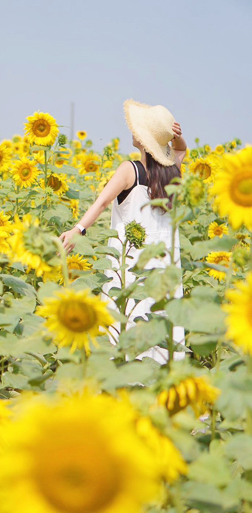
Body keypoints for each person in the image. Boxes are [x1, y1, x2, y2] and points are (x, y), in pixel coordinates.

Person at [59, 99, 187, 364]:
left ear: (144, 140)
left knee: (129, 316)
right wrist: (177, 139)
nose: (133, 131)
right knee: (161, 320)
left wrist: (78, 229)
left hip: (132, 263)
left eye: (138, 129)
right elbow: (182, 151)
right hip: (165, 264)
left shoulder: (130, 170)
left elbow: (103, 202)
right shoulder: (172, 172)